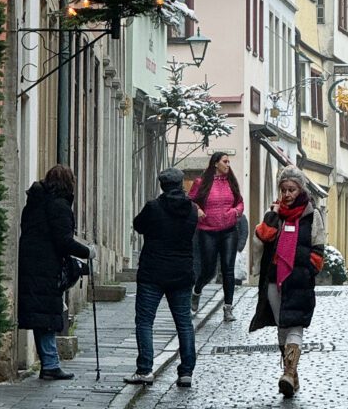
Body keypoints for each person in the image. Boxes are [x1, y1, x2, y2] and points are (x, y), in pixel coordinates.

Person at [249, 166, 325, 399]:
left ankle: (289, 373)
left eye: (291, 189)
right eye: (284, 190)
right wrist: (272, 215)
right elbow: (262, 239)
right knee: (283, 326)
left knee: (295, 326)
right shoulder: (275, 214)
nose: (287, 194)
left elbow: (318, 248)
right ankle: (290, 374)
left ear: (300, 189)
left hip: (299, 281)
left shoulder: (312, 215)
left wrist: (307, 267)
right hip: (274, 279)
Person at [17, 165, 94, 380]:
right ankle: (50, 364)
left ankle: (49, 362)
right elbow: (63, 241)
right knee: (47, 316)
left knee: (42, 315)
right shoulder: (59, 205)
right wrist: (87, 251)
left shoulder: (35, 202)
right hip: (45, 267)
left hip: (31, 263)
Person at [124, 167, 199, 388]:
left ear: (162, 186)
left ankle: (145, 370)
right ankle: (186, 372)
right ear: (181, 185)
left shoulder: (153, 207)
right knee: (184, 323)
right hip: (182, 273)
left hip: (153, 272)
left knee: (145, 321)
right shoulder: (192, 210)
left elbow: (138, 226)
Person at [189, 152, 244, 322]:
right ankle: (197, 290)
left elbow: (240, 202)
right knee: (209, 269)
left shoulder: (231, 182)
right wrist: (197, 209)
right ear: (215, 164)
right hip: (208, 230)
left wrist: (235, 211)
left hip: (229, 230)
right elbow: (190, 200)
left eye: (229, 162)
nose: (228, 165)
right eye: (225, 162)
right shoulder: (201, 183)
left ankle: (228, 309)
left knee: (228, 269)